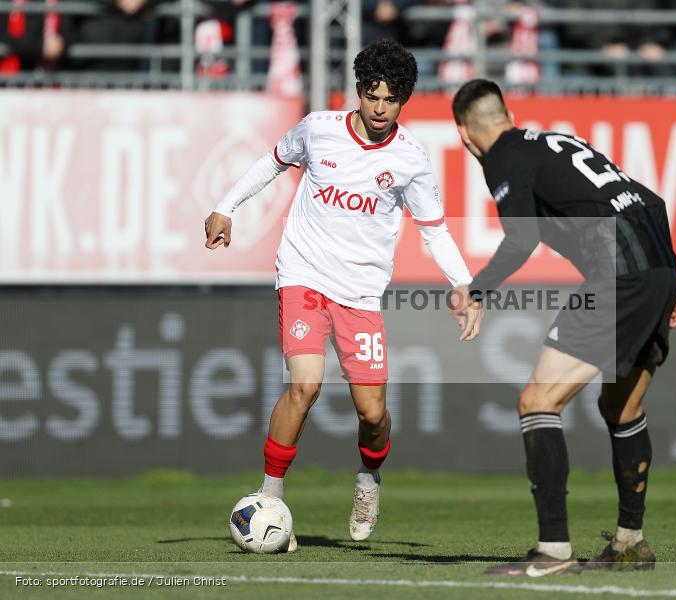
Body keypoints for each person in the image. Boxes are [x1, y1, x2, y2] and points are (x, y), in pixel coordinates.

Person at [205, 39, 483, 548]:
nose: (379, 109)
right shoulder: (318, 129)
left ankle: (368, 479)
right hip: (304, 274)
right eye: (372, 96)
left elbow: (435, 230)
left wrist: (463, 283)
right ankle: (270, 497)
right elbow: (272, 161)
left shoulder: (411, 160)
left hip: (360, 293)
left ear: (404, 101)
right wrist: (226, 206)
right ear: (358, 91)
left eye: (391, 100)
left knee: (372, 414)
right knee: (305, 384)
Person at [450, 79, 676, 576]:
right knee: (620, 406)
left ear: (465, 134)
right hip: (658, 268)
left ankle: (553, 549)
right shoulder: (555, 141)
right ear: (508, 115)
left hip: (619, 274)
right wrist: (671, 285)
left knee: (537, 401)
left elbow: (521, 239)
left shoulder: (503, 156)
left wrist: (477, 289)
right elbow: (655, 202)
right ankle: (629, 542)